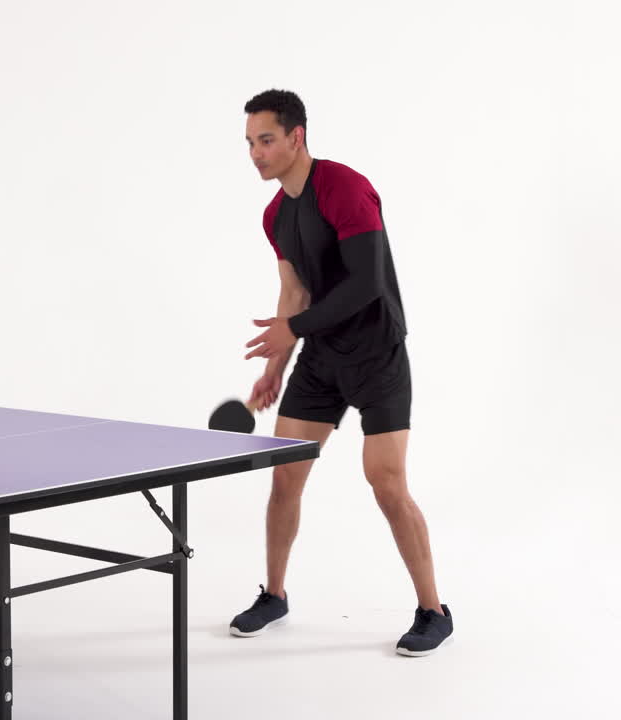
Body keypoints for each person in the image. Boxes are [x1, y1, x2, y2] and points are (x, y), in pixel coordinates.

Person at [230, 89, 452, 656]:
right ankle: (274, 594)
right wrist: (275, 368)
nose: (256, 152)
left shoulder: (345, 187)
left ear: (296, 137)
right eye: (251, 142)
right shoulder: (275, 214)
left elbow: (366, 282)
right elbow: (293, 291)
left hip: (377, 355)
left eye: (266, 140)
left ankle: (434, 610)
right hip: (321, 360)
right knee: (285, 474)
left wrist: (293, 331)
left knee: (386, 483)